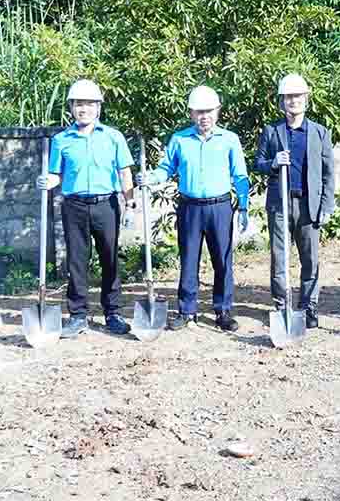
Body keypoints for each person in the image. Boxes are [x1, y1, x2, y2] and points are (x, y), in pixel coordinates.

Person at [137, 86, 250, 332]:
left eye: (208, 111)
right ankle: (187, 311)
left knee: (223, 260)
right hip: (189, 208)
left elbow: (240, 176)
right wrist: (151, 178)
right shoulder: (179, 139)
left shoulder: (229, 139)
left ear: (217, 111)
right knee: (188, 260)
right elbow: (165, 168)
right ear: (191, 113)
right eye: (199, 111)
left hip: (219, 208)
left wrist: (243, 206)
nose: (204, 116)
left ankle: (222, 311)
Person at [37, 79, 136, 337]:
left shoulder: (114, 137)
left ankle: (112, 313)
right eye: (79, 104)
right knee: (77, 261)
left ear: (98, 107)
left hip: (107, 205)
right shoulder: (61, 140)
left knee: (110, 259)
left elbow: (125, 172)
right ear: (71, 107)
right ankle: (78, 316)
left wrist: (131, 202)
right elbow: (57, 174)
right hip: (74, 207)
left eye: (89, 104)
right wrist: (49, 180)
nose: (84, 109)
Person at [254, 73, 335, 329]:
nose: (293, 101)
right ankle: (282, 304)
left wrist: (326, 206)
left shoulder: (320, 133)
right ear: (282, 101)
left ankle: (309, 306)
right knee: (279, 257)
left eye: (298, 96)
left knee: (310, 258)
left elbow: (328, 173)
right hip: (280, 204)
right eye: (288, 97)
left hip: (308, 205)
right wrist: (274, 163)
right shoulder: (271, 131)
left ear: (306, 99)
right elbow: (259, 163)